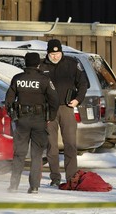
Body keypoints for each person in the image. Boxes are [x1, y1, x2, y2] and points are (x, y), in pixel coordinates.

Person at [5, 52, 59, 194]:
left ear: (25, 63)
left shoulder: (17, 79)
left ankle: (13, 186)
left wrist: (13, 116)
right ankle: (34, 186)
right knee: (36, 154)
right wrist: (51, 117)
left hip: (22, 120)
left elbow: (9, 100)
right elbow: (54, 100)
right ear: (37, 64)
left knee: (19, 154)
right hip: (39, 120)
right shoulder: (44, 79)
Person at [40, 39, 89, 186]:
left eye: (58, 53)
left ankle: (71, 177)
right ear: (48, 53)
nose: (55, 56)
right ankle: (55, 178)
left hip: (67, 108)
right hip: (49, 110)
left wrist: (78, 100)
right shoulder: (41, 67)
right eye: (52, 53)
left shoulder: (71, 64)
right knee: (51, 146)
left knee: (70, 144)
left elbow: (83, 84)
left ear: (62, 52)